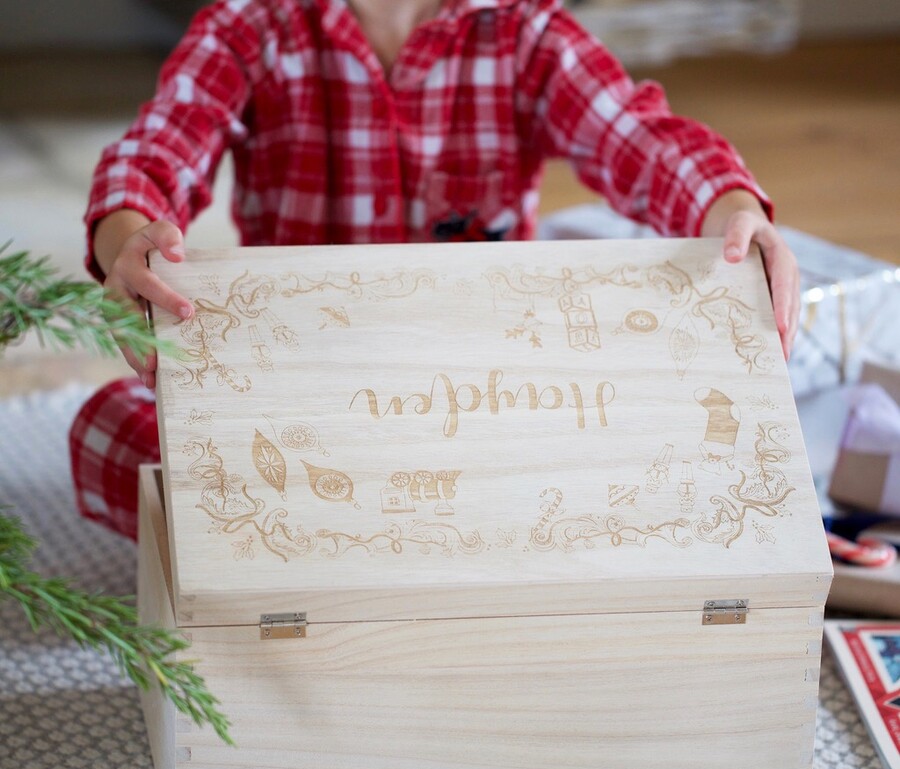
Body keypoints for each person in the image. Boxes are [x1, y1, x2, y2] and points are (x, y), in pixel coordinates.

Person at [70, 0, 800, 540]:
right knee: (107, 428)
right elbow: (155, 153)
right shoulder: (251, 24)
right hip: (305, 397)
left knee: (669, 435)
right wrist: (128, 242)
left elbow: (640, 137)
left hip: (491, 403)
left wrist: (735, 211)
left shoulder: (527, 32)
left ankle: (382, 536)